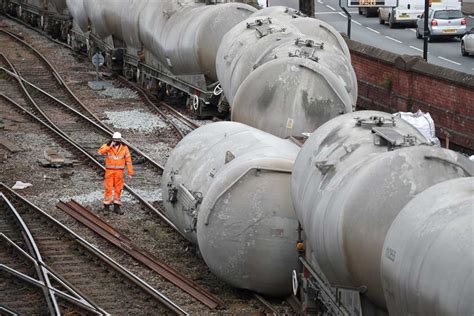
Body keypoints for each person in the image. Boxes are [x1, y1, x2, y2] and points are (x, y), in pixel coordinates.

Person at [97, 132, 133, 214]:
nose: (116, 141)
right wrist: (110, 146)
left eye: (118, 140)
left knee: (118, 189)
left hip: (119, 172)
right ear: (112, 139)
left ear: (120, 140)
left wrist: (130, 172)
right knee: (108, 189)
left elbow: (128, 161)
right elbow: (100, 152)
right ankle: (106, 207)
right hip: (109, 171)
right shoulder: (107, 146)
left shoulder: (124, 148)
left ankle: (116, 207)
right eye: (115, 140)